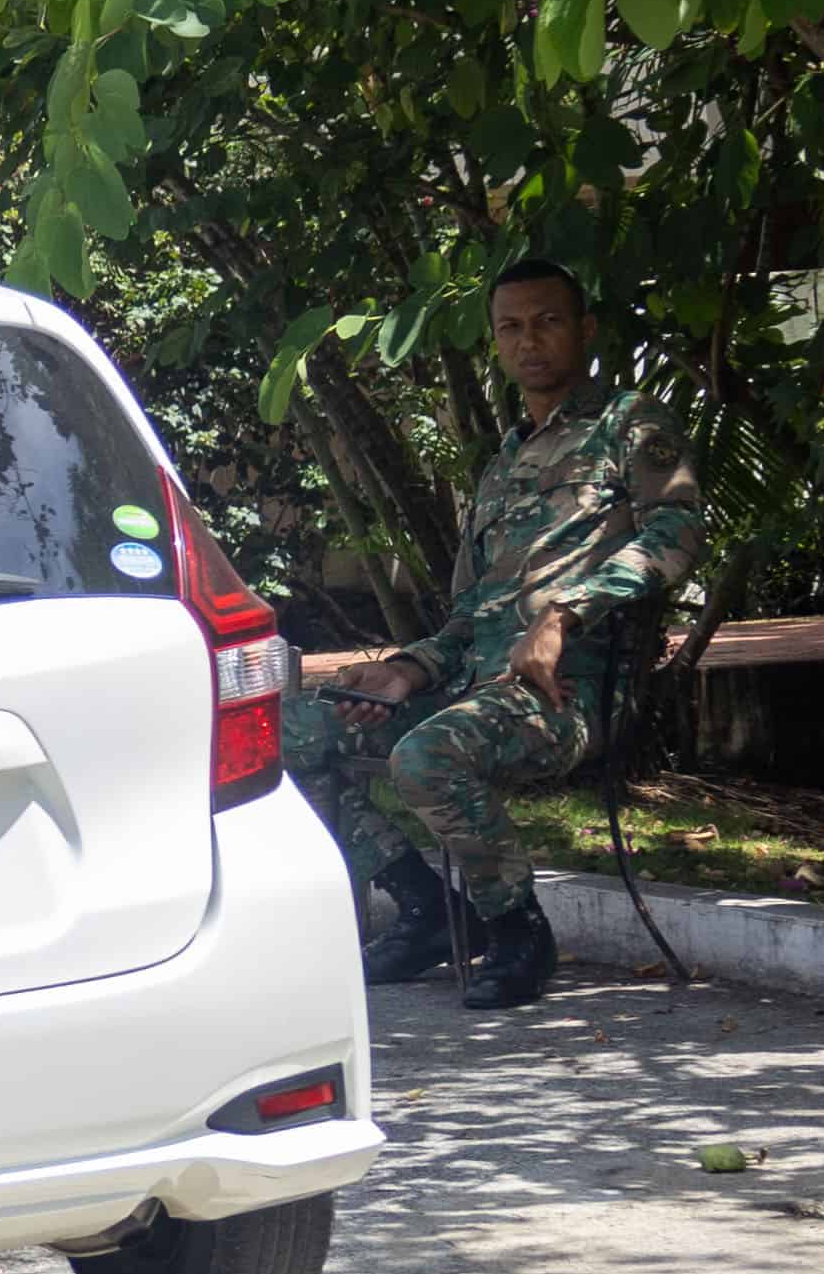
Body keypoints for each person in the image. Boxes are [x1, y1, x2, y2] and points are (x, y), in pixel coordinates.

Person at [286, 258, 701, 1011]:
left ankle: (516, 930)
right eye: (510, 326)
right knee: (287, 733)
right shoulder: (505, 460)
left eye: (546, 320)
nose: (528, 340)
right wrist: (407, 669)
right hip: (468, 690)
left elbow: (676, 533)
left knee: (426, 754)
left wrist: (563, 613)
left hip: (564, 694)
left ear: (584, 330)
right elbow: (471, 612)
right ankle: (419, 910)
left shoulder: (627, 424)